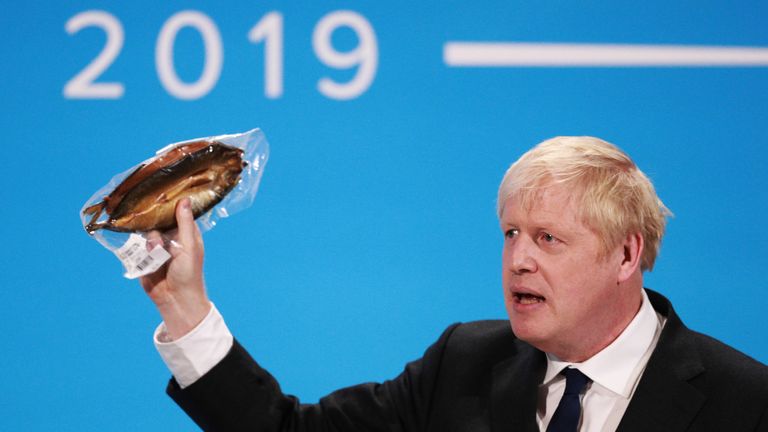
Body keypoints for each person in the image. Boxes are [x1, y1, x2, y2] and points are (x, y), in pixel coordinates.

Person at [141, 136, 768, 431]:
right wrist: (185, 306)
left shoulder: (745, 402)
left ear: (627, 255)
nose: (518, 259)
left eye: (547, 238)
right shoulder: (466, 362)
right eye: (509, 234)